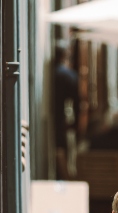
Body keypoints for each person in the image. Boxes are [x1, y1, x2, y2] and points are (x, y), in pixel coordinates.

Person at [53, 43, 78, 180]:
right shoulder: (68, 75)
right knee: (64, 152)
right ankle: (66, 179)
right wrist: (76, 125)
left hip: (54, 120)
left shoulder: (51, 74)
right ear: (65, 56)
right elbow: (77, 102)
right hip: (63, 122)